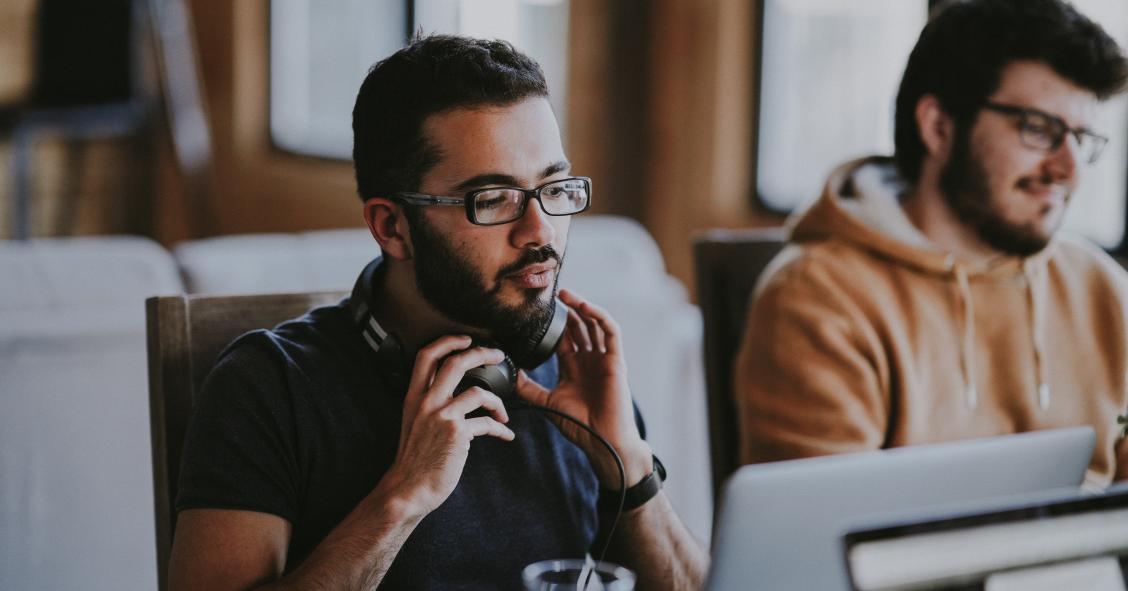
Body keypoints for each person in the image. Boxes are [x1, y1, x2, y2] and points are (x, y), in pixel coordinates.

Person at [167, 35, 707, 590]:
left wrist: (629, 465)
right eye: (494, 199)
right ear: (392, 227)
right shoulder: (270, 387)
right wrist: (402, 499)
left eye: (553, 187)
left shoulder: (575, 373)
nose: (540, 230)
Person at [735, 0, 1128, 486]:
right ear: (939, 127)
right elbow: (822, 547)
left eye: (1081, 138)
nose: (1069, 170)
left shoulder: (1104, 288)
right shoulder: (819, 299)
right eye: (1038, 129)